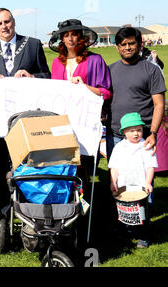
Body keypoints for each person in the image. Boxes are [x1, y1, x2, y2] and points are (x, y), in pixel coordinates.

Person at [0, 7, 51, 216]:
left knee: (29, 162)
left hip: (28, 118)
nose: (4, 26)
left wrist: (32, 76)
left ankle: (30, 206)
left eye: (7, 22)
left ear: (14, 22)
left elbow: (47, 76)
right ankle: (5, 207)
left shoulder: (33, 45)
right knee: (2, 164)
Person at [106, 27, 166, 243]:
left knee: (144, 184)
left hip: (143, 138)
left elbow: (159, 105)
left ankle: (143, 231)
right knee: (118, 183)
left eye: (131, 43)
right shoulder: (110, 70)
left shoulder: (151, 70)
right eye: (123, 44)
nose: (127, 47)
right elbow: (103, 99)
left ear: (140, 44)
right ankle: (123, 228)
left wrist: (153, 133)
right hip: (115, 135)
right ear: (117, 46)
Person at [49, 19, 112, 204]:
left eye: (74, 34)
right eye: (66, 35)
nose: (70, 39)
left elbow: (106, 92)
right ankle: (66, 206)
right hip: (63, 124)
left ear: (81, 37)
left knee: (84, 166)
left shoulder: (95, 60)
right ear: (61, 39)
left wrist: (84, 86)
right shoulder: (56, 63)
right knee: (65, 166)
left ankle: (85, 208)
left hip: (86, 123)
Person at [108, 112, 158, 248]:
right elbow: (114, 167)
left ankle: (143, 236)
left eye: (139, 130)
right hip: (125, 187)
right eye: (132, 131)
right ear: (124, 132)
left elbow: (150, 166)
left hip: (142, 186)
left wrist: (148, 182)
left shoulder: (146, 146)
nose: (136, 133)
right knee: (126, 211)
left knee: (144, 211)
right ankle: (126, 233)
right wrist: (113, 182)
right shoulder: (118, 148)